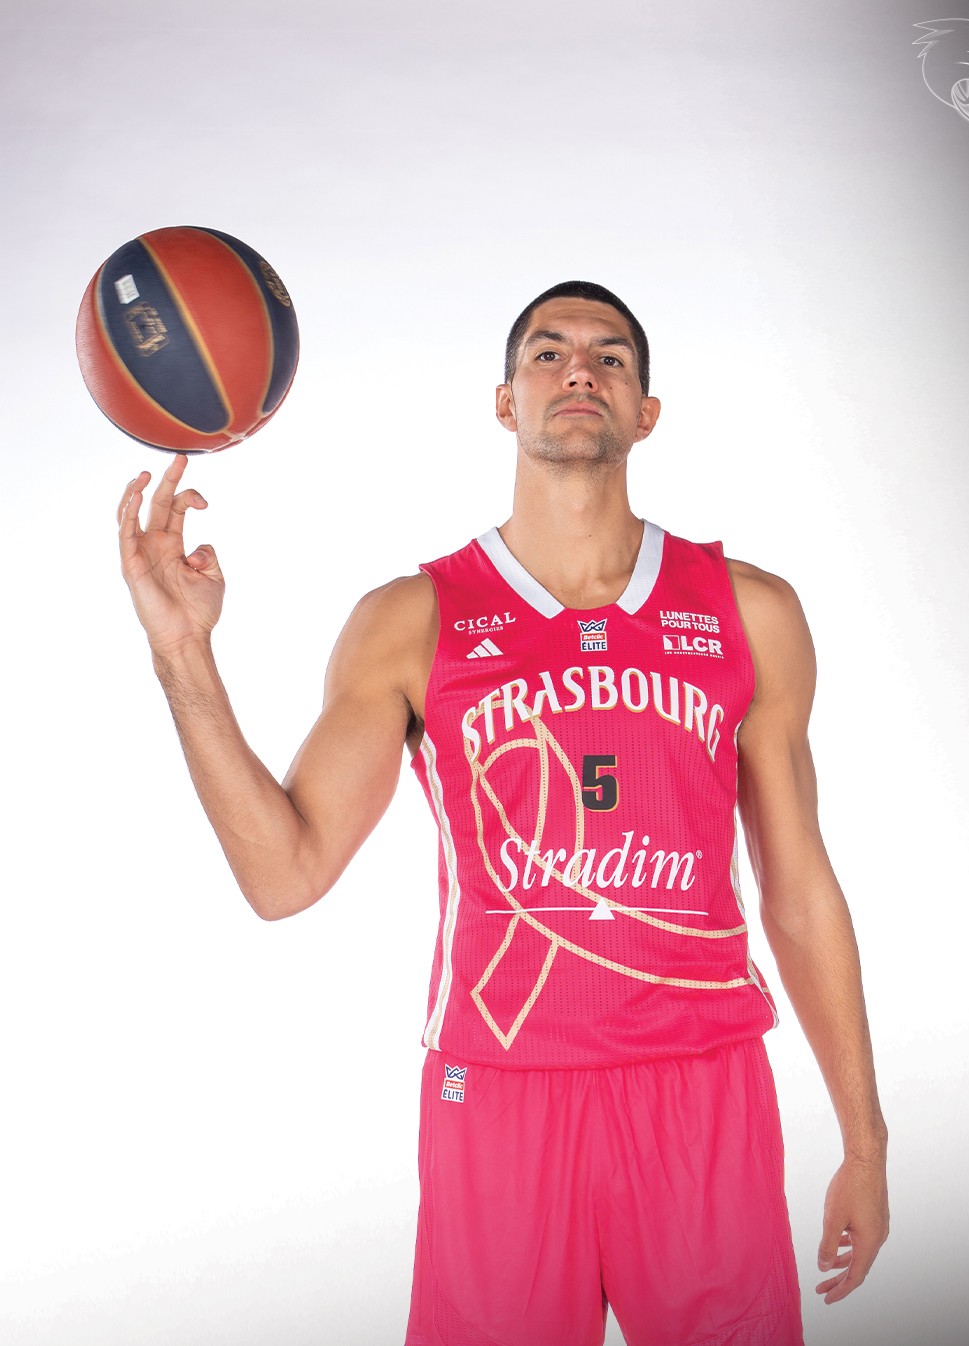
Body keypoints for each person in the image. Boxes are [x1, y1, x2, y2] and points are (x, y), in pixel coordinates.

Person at [117, 280, 889, 1346]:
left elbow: (798, 892)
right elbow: (282, 874)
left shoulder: (747, 610)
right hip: (499, 1091)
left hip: (702, 1088)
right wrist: (182, 652)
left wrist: (866, 1141)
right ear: (504, 401)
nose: (579, 371)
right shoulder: (411, 620)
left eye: (610, 357)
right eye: (547, 353)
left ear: (645, 412)